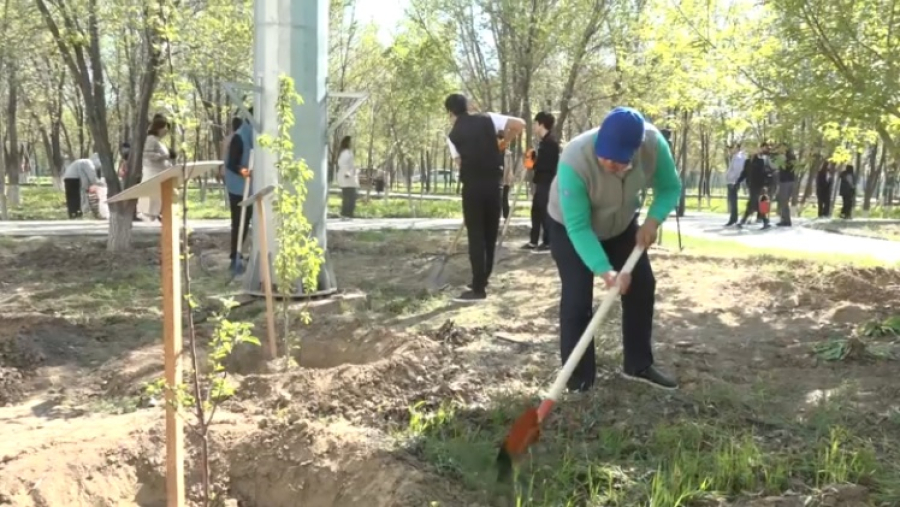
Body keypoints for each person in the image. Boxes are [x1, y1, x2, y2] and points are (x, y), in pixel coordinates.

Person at [546, 106, 681, 392]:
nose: (609, 163)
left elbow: (670, 187)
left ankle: (638, 365)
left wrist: (653, 220)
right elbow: (578, 227)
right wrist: (605, 270)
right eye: (605, 156)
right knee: (577, 299)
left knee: (642, 284)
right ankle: (579, 381)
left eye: (619, 161)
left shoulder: (654, 146)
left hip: (620, 224)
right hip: (570, 227)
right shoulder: (575, 159)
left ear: (636, 150)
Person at [445, 94, 525, 302]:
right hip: (493, 186)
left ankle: (478, 289)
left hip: (473, 188)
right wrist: (502, 143)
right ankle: (483, 279)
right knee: (490, 235)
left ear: (450, 112)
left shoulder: (452, 136)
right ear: (468, 106)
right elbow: (520, 124)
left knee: (476, 236)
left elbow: (460, 163)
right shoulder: (488, 118)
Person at [523, 111, 560, 252]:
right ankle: (533, 241)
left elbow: (547, 165)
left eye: (535, 123)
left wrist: (533, 161)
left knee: (545, 211)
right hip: (541, 181)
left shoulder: (550, 143)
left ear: (541, 124)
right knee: (536, 211)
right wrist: (533, 159)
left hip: (547, 182)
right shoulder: (544, 142)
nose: (534, 126)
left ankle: (548, 242)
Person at [224, 114, 255, 274]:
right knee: (239, 222)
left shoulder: (252, 135)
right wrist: (246, 173)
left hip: (250, 187)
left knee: (247, 220)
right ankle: (234, 258)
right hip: (237, 187)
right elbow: (232, 164)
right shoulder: (239, 137)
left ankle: (242, 255)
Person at [138, 115, 173, 221]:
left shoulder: (159, 141)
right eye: (164, 128)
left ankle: (158, 214)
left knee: (158, 198)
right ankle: (149, 215)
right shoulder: (151, 139)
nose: (166, 131)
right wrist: (164, 156)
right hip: (152, 173)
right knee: (152, 197)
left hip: (161, 174)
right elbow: (146, 154)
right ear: (158, 128)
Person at [736, 143, 773, 230]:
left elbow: (763, 174)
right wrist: (738, 181)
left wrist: (765, 185)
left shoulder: (760, 161)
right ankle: (765, 221)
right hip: (750, 185)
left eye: (753, 149)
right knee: (755, 203)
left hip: (758, 185)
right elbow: (744, 173)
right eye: (750, 149)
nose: (751, 151)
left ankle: (743, 221)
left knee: (753, 203)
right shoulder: (747, 161)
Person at [336, 135, 359, 219]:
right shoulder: (346, 153)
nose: (352, 143)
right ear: (348, 142)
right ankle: (346, 213)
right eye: (351, 141)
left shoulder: (346, 152)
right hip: (347, 176)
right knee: (350, 196)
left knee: (349, 195)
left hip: (348, 176)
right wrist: (348, 172)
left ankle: (347, 213)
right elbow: (343, 164)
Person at [724, 143, 746, 226]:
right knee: (733, 200)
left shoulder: (738, 157)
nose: (730, 150)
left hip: (733, 181)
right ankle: (733, 218)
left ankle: (733, 219)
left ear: (737, 148)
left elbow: (738, 170)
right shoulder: (735, 157)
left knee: (733, 200)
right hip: (731, 181)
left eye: (732, 148)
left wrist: (734, 180)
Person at [775, 143, 796, 226]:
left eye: (780, 148)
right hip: (786, 181)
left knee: (784, 200)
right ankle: (784, 219)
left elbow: (785, 168)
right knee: (783, 201)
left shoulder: (788, 157)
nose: (779, 149)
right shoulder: (788, 156)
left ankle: (786, 220)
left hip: (786, 181)